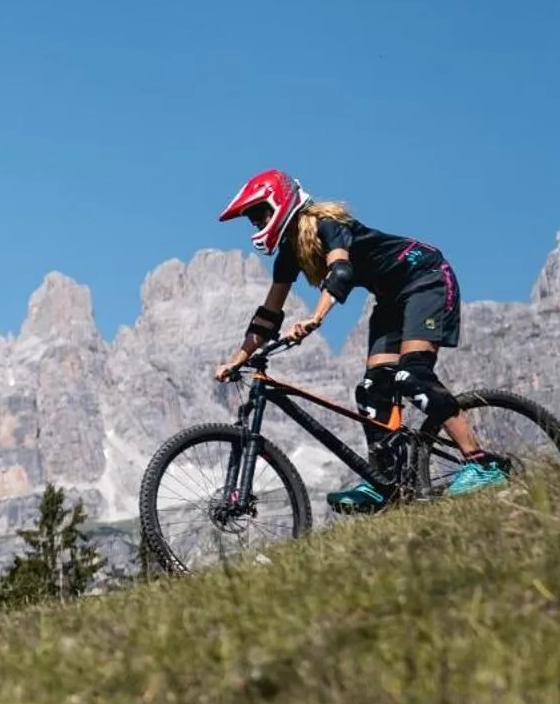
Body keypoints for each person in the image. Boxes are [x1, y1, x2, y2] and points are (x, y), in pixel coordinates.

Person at [211, 169, 507, 511]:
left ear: (278, 203)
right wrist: (238, 358)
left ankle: (482, 463)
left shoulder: (327, 225)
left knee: (412, 375)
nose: (256, 223)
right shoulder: (289, 254)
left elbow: (341, 272)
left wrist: (315, 318)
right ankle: (386, 482)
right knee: (371, 389)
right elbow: (268, 316)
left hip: (426, 279)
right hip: (390, 300)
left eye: (258, 213)